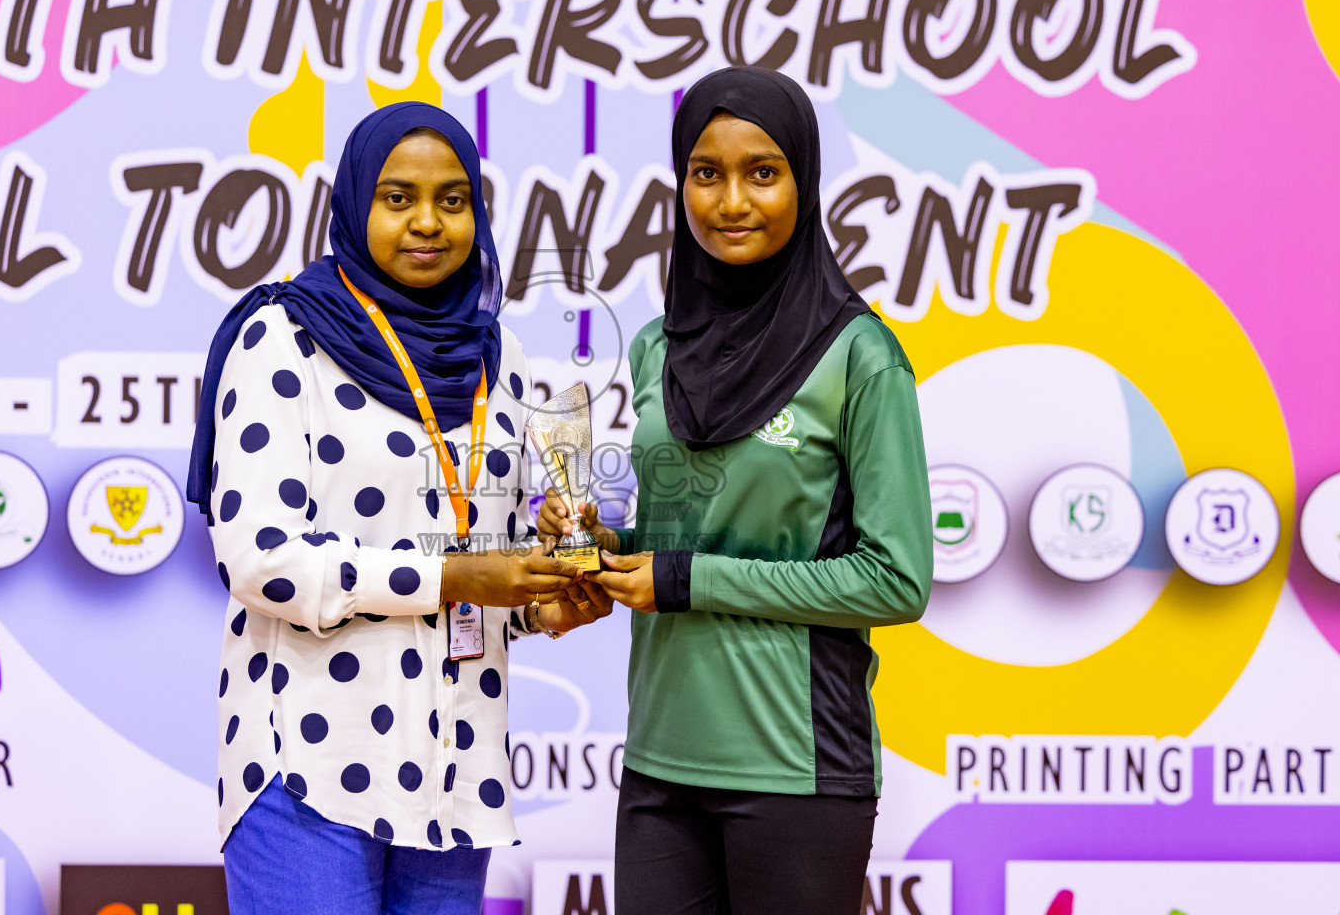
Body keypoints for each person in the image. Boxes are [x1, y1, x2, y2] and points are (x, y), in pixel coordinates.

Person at [188, 101, 613, 915]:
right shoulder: (282, 338)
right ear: (353, 205)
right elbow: (261, 559)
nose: (428, 222)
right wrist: (458, 574)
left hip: (458, 775)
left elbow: (484, 566)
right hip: (310, 766)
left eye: (453, 200)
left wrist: (546, 596)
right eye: (398, 198)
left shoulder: (501, 355)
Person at [539, 66, 933, 915]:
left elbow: (895, 579)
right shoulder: (654, 346)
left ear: (804, 180)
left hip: (795, 769)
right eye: (704, 173)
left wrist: (687, 581)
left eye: (763, 172)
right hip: (658, 763)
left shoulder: (861, 356)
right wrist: (592, 552)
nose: (730, 201)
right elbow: (675, 529)